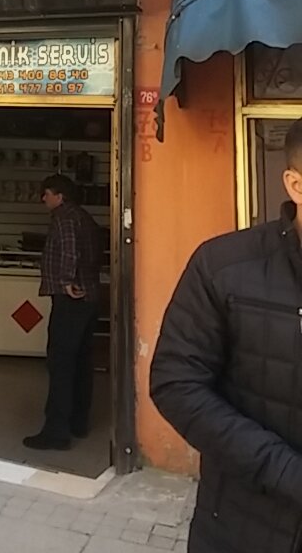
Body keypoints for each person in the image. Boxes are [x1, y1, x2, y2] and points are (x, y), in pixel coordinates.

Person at [150, 118, 302, 553]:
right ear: (296, 185)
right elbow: (176, 383)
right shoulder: (223, 266)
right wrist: (286, 472)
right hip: (243, 527)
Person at [24, 173, 103, 451]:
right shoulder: (84, 217)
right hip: (89, 296)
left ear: (59, 195)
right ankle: (78, 422)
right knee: (81, 362)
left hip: (71, 298)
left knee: (60, 364)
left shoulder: (64, 217)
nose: (43, 198)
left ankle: (56, 432)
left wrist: (67, 280)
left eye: (46, 193)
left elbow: (70, 249)